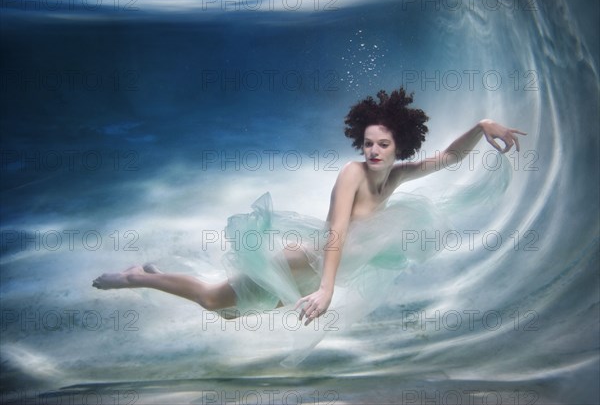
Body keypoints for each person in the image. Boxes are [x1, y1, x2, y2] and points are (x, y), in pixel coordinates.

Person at [93, 87, 525, 326]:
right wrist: (327, 289)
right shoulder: (352, 175)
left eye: (383, 144)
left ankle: (155, 275)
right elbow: (335, 233)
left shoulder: (397, 175)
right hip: (310, 261)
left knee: (229, 313)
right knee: (214, 301)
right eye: (368, 142)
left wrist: (482, 126)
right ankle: (136, 278)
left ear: (400, 146)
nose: (373, 151)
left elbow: (448, 158)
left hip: (325, 268)